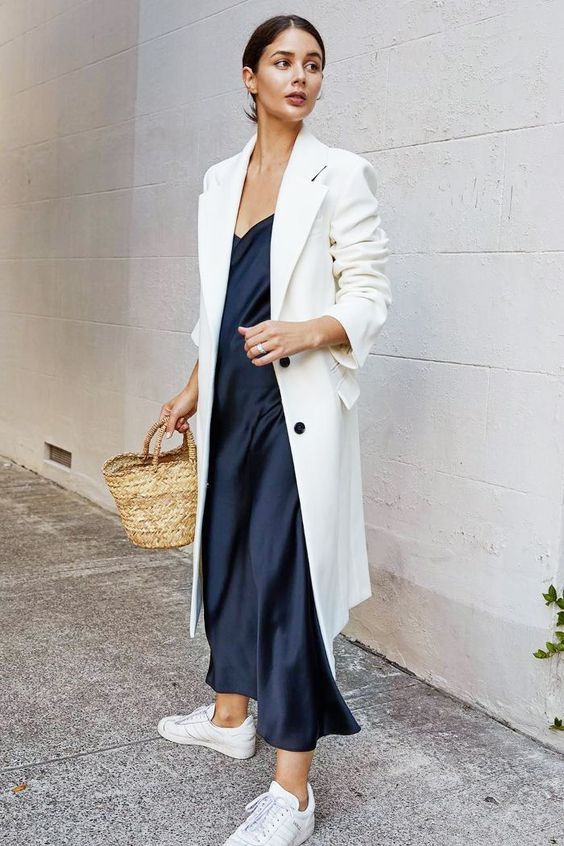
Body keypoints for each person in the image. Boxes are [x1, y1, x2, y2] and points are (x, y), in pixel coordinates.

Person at [156, 14, 392, 846]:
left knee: (287, 578)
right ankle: (230, 714)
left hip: (294, 411)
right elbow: (218, 308)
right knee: (224, 555)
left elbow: (369, 293)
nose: (301, 76)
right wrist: (192, 387)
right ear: (249, 77)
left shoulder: (341, 173)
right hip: (229, 403)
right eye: (283, 62)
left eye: (314, 64)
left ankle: (292, 793)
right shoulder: (221, 179)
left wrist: (308, 330)